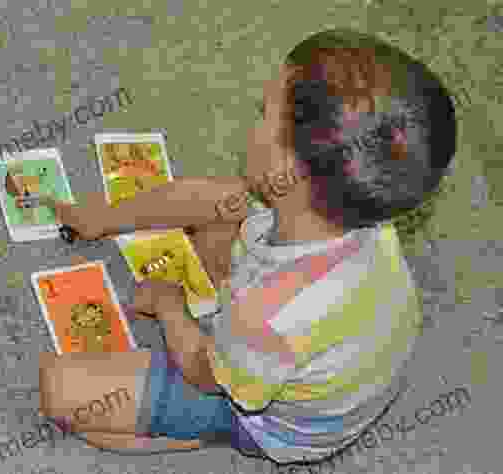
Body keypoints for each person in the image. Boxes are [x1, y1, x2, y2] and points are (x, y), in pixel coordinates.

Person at [39, 28, 457, 464]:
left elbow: (202, 372)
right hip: (302, 352)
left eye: (262, 112)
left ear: (288, 165)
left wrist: (170, 308)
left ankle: (211, 436)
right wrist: (100, 218)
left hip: (271, 419)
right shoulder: (343, 206)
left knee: (60, 389)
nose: (252, 120)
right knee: (219, 214)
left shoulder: (272, 315)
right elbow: (202, 198)